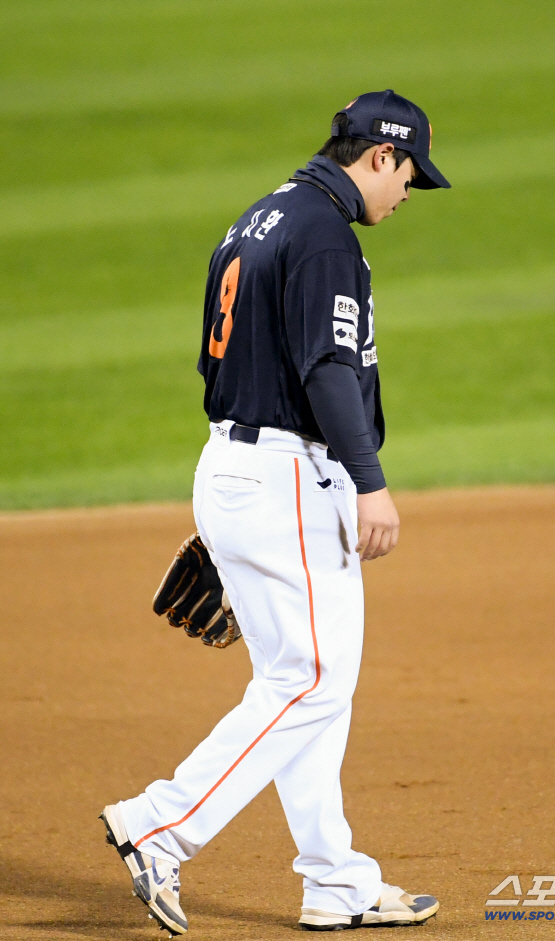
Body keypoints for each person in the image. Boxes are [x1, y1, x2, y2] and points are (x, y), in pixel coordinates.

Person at [101, 89, 450, 935]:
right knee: (314, 682)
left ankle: (336, 882)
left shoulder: (259, 217)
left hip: (237, 467)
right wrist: (369, 480)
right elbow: (328, 368)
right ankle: (159, 825)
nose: (408, 193)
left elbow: (216, 358)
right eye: (408, 174)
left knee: (305, 684)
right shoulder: (327, 236)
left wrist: (235, 503)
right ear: (379, 156)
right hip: (289, 476)